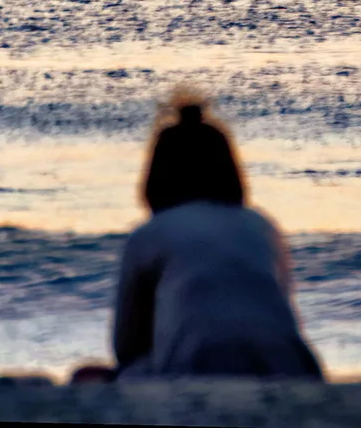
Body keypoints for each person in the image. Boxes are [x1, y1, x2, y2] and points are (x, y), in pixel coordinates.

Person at [109, 97, 322, 380]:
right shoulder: (261, 225)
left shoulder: (151, 234)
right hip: (292, 367)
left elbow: (127, 346)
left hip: (196, 369)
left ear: (157, 174)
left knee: (93, 376)